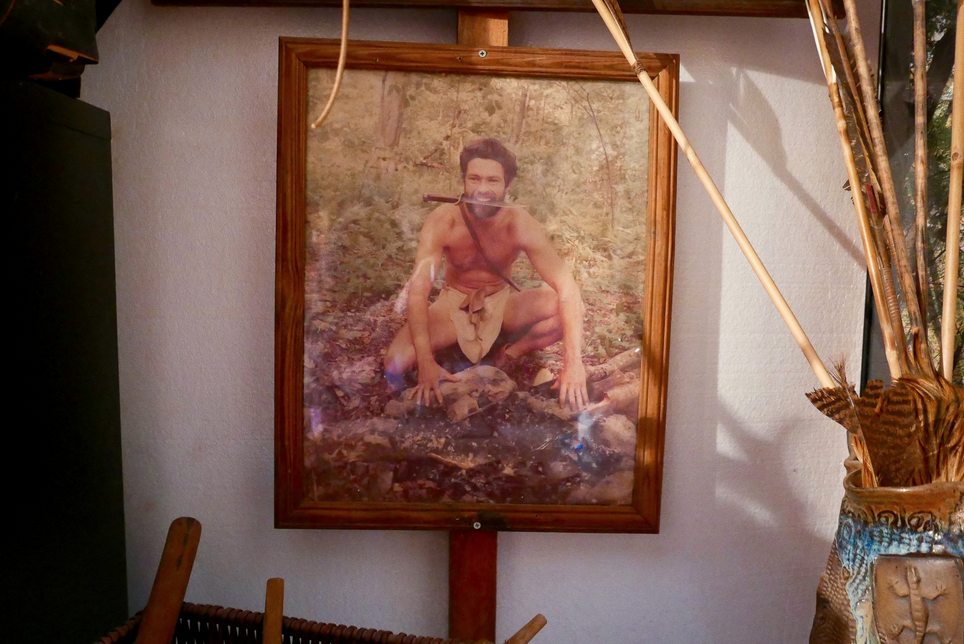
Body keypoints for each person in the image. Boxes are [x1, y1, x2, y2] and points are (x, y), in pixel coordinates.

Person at [384, 138, 588, 410]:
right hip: (453, 304)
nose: (482, 189)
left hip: (501, 303)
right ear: (464, 180)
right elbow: (419, 290)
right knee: (394, 363)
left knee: (571, 309)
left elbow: (567, 287)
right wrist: (425, 363)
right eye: (474, 179)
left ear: (508, 184)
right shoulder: (444, 219)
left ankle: (507, 356)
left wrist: (574, 365)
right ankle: (447, 354)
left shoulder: (519, 222)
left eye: (492, 181)